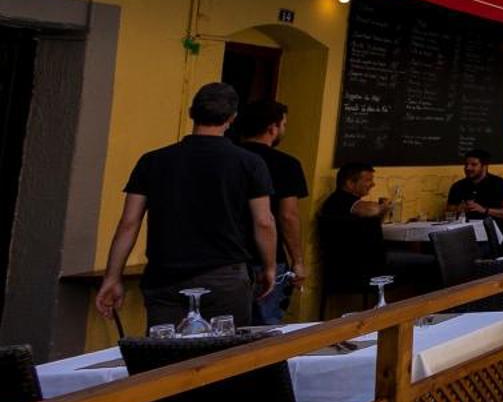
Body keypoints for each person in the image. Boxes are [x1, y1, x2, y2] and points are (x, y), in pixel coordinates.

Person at [95, 82, 276, 331]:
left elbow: (129, 223)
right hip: (224, 275)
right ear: (232, 118)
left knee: (166, 357)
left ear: (191, 113)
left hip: (165, 275)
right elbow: (264, 221)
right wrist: (269, 267)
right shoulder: (249, 163)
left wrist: (113, 276)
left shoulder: (153, 161)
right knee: (225, 358)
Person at [235, 98, 306, 325]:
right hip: (268, 258)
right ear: (272, 128)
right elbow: (288, 216)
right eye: (283, 125)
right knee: (265, 332)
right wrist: (298, 260)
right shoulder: (285, 164)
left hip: (225, 259)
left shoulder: (227, 158)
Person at [315, 163, 388, 309]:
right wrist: (384, 207)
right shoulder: (341, 200)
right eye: (368, 180)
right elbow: (372, 210)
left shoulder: (341, 202)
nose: (372, 184)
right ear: (349, 183)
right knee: (424, 264)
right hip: (357, 269)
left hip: (354, 266)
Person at [446, 149, 503, 223]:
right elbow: (449, 211)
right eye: (466, 164)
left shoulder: (500, 184)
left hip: (493, 229)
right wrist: (459, 209)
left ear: (484, 166)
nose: (468, 168)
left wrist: (484, 210)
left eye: (473, 165)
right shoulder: (458, 186)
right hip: (465, 229)